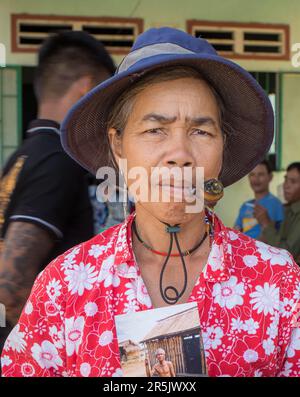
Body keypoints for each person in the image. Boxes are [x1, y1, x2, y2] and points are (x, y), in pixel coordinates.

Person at [1, 27, 300, 378]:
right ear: (118, 146)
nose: (180, 155)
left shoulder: (279, 284)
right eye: (155, 129)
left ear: (222, 150)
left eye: (201, 131)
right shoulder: (62, 287)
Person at [0, 31, 116, 355]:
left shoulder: (23, 155)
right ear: (86, 89)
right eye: (104, 98)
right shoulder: (57, 160)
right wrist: (66, 354)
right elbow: (9, 287)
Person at [255, 162, 300, 264]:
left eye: (293, 182)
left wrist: (266, 224)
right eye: (286, 179)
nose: (286, 186)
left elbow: (287, 253)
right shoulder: (286, 209)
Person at [234, 160, 284, 239]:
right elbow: (236, 231)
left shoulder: (275, 204)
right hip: (243, 248)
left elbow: (274, 236)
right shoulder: (245, 205)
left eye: (261, 174)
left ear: (270, 177)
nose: (256, 179)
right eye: (252, 174)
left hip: (261, 249)